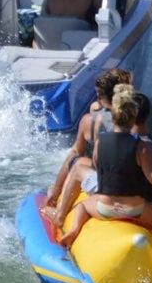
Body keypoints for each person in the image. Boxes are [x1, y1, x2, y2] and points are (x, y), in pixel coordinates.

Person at [58, 85, 152, 260]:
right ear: (134, 117)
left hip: (105, 208)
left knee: (82, 206)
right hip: (135, 211)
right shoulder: (141, 147)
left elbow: (97, 166)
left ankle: (74, 230)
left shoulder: (100, 143)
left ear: (113, 115)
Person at [43, 68, 132, 225]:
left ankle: (58, 210)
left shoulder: (89, 119)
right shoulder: (133, 118)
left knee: (77, 161)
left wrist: (55, 192)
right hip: (131, 185)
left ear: (99, 95)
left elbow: (76, 153)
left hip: (106, 183)